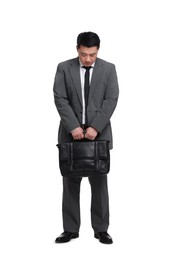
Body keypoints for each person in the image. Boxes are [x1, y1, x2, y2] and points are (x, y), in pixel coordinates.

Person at [53, 32, 119, 244]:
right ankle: (70, 229)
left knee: (99, 183)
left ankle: (101, 229)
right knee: (70, 182)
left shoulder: (109, 69)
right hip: (70, 134)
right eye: (83, 54)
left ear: (98, 50)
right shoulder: (64, 68)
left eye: (91, 54)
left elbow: (111, 99)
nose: (88, 59)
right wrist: (73, 126)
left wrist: (95, 127)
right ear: (77, 49)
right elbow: (60, 98)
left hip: (98, 136)